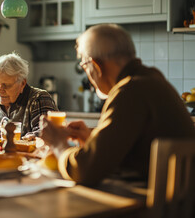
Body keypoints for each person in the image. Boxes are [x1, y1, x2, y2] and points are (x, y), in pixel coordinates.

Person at [40, 24, 195, 186]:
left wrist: (58, 144)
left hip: (155, 208)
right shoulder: (151, 78)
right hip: (178, 204)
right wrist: (92, 140)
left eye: (85, 66)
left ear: (96, 66)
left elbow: (85, 171)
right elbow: (130, 153)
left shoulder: (129, 90)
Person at [0, 52, 58, 138]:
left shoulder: (39, 99)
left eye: (6, 85)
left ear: (22, 83)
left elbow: (46, 133)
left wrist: (22, 140)